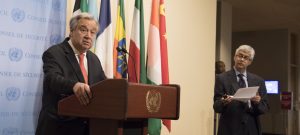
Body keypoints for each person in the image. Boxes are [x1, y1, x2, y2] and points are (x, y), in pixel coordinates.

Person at [35, 13, 106, 135]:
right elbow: (53, 79)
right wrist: (74, 86)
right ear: (72, 31)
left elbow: (102, 85)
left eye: (93, 32)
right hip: (58, 128)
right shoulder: (54, 53)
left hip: (88, 128)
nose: (88, 36)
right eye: (83, 30)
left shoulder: (94, 59)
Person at [213, 45, 269, 135]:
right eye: (240, 56)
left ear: (250, 62)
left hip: (251, 129)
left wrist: (257, 102)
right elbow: (216, 106)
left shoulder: (259, 81)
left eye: (245, 57)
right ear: (234, 57)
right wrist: (224, 101)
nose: (242, 59)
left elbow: (265, 108)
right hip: (229, 128)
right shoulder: (222, 78)